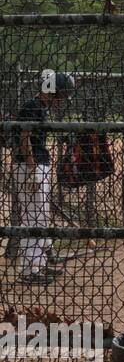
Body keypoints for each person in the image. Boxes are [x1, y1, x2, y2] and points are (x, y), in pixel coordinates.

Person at [11, 73, 75, 285]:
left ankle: (38, 265)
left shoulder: (41, 107)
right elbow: (23, 137)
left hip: (38, 164)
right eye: (62, 95)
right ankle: (28, 271)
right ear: (53, 91)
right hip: (30, 166)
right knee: (32, 218)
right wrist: (31, 168)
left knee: (41, 216)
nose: (62, 100)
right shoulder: (32, 106)